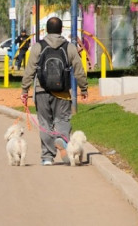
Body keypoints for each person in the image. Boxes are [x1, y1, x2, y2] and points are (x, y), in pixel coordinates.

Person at [20, 17, 88, 166]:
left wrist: (25, 90)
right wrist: (83, 88)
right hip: (63, 92)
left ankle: (47, 157)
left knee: (45, 123)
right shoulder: (69, 47)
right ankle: (63, 140)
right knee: (62, 120)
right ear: (61, 29)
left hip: (41, 91)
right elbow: (79, 69)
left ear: (46, 30)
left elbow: (29, 70)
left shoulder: (38, 46)